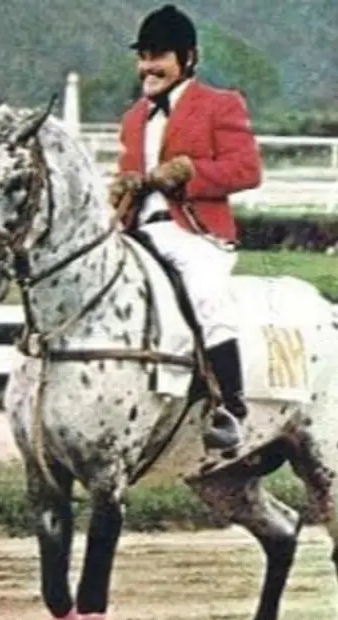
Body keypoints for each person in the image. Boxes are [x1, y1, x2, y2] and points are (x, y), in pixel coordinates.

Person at [109, 4, 263, 451]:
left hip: (194, 233)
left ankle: (230, 408)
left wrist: (189, 171)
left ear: (187, 59)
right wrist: (121, 187)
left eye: (158, 55)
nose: (147, 66)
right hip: (139, 230)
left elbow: (247, 169)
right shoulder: (135, 116)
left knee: (206, 298)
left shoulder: (220, 104)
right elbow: (127, 170)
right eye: (143, 56)